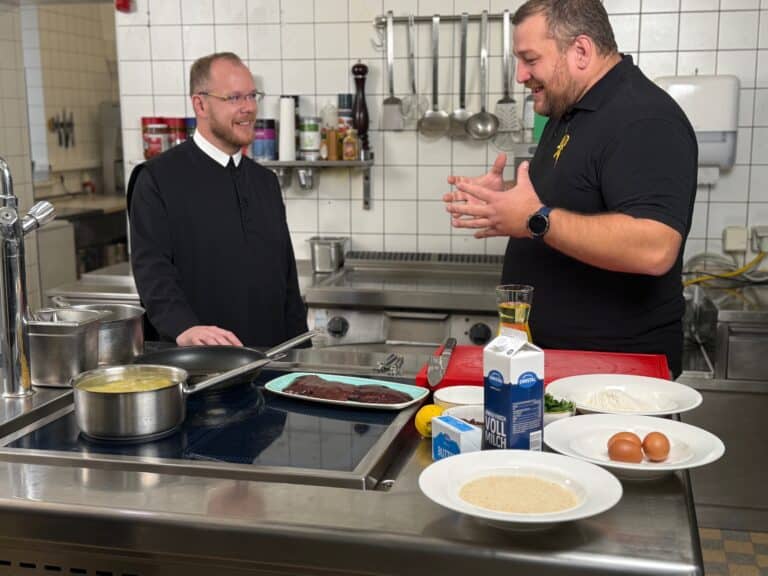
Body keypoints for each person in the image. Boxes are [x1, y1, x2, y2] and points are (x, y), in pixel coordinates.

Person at [443, 0, 697, 377]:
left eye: (530, 59)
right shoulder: (571, 111)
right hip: (564, 367)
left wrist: (535, 218)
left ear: (580, 50)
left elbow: (655, 246)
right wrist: (508, 198)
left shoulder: (643, 118)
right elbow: (579, 196)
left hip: (615, 380)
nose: (520, 76)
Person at [130, 52, 308, 347]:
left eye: (252, 96)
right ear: (200, 104)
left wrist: (301, 353)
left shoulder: (265, 182)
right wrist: (184, 328)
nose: (249, 108)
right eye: (235, 98)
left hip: (272, 364)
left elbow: (286, 279)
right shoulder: (157, 178)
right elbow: (152, 270)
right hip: (199, 365)